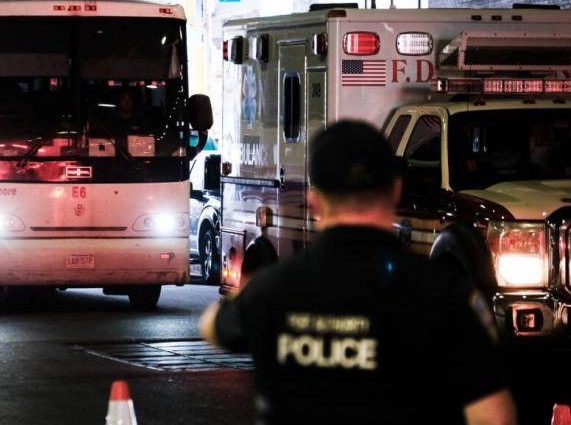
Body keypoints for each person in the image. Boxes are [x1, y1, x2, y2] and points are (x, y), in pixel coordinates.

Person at [199, 120, 517, 425]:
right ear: (394, 191)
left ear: (314, 202)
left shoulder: (271, 290)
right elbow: (494, 417)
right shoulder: (447, 295)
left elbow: (213, 327)